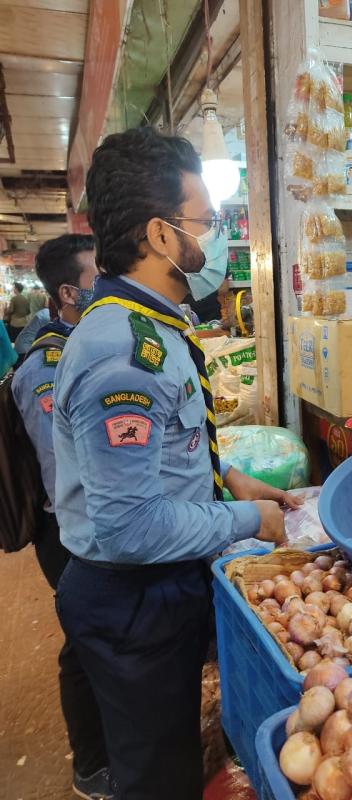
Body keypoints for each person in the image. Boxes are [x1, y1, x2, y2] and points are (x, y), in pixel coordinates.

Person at [52, 126, 300, 800]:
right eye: (206, 221)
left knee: (172, 750)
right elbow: (130, 527)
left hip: (158, 585)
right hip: (132, 596)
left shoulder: (156, 324)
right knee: (158, 774)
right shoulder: (123, 354)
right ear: (162, 236)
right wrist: (250, 517)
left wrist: (234, 483)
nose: (213, 237)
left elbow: (166, 459)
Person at [10, 235, 111, 800]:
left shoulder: (82, 346)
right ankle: (91, 767)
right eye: (101, 273)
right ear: (71, 292)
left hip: (81, 522)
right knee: (83, 643)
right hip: (64, 529)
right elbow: (64, 474)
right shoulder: (48, 364)